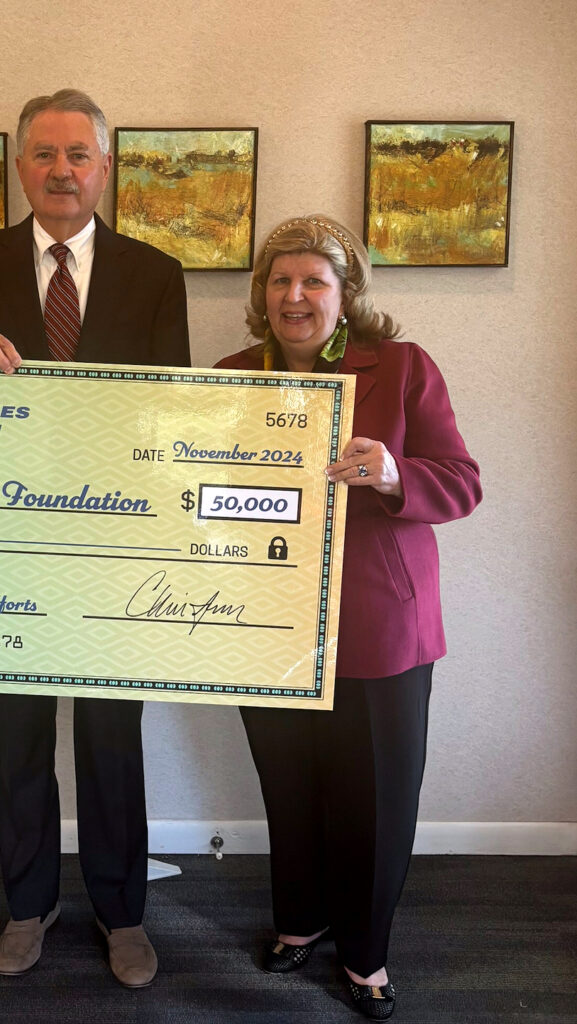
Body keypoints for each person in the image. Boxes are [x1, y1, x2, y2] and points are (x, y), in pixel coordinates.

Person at [0, 89, 189, 987]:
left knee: (115, 741)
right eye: (43, 154)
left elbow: (169, 417)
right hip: (6, 549)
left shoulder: (156, 272)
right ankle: (28, 906)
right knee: (23, 738)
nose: (62, 170)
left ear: (104, 168)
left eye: (78, 154)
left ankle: (122, 915)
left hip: (114, 553)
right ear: (19, 166)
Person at [214, 215, 481, 1020]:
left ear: (345, 294)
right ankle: (299, 920)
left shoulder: (400, 368)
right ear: (262, 294)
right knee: (290, 787)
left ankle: (365, 956)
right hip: (265, 618)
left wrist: (395, 473)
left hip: (379, 623)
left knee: (374, 799)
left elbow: (462, 482)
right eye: (279, 281)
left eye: (313, 282)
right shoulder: (230, 375)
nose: (294, 296)